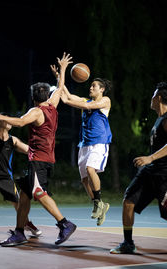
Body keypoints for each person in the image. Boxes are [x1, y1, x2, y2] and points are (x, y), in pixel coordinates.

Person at [0, 52, 77, 247]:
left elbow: (19, 122)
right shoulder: (53, 105)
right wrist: (62, 70)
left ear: (34, 98)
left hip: (39, 159)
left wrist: (1, 115)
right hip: (46, 158)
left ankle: (64, 223)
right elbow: (60, 88)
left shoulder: (36, 111)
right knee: (25, 195)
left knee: (37, 191)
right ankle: (19, 233)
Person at [51, 64, 112, 226]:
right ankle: (100, 205)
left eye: (94, 86)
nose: (90, 88)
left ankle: (98, 202)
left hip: (99, 142)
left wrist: (71, 100)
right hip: (84, 144)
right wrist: (60, 76)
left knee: (91, 169)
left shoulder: (105, 101)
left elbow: (85, 105)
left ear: (102, 89)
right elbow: (66, 97)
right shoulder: (85, 100)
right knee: (84, 180)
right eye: (91, 85)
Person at [110, 82, 167, 254]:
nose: (150, 98)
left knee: (166, 213)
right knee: (128, 200)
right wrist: (150, 160)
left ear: (158, 98)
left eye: (153, 95)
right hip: (151, 171)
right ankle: (128, 243)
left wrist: (150, 157)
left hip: (164, 173)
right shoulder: (159, 119)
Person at [0, 113, 42, 239]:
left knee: (18, 202)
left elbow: (29, 150)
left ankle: (26, 223)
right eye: (6, 120)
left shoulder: (13, 139)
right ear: (0, 122)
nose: (9, 122)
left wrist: (41, 148)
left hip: (6, 177)